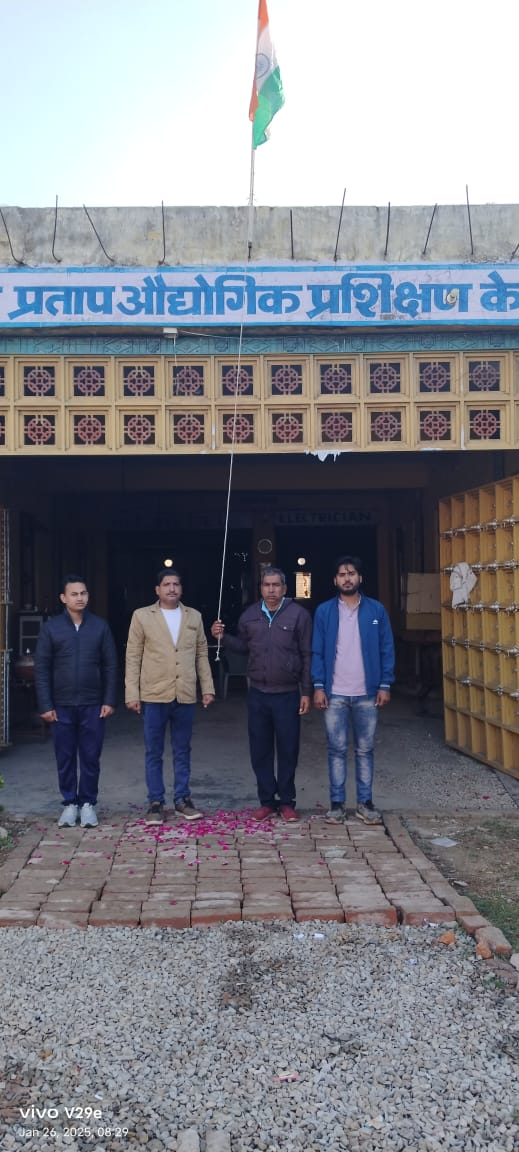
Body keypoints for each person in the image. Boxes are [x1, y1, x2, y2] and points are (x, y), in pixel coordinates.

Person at [211, 567, 312, 822]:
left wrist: (306, 691)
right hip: (258, 693)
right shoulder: (250, 615)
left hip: (287, 693)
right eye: (267, 585)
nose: (271, 590)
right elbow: (244, 647)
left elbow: (306, 654)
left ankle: (287, 802)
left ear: (284, 588)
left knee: (288, 749)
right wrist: (223, 637)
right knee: (260, 750)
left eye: (276, 585)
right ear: (261, 588)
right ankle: (267, 801)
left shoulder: (299, 615)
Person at [125, 568, 215, 825]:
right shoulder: (142, 616)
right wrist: (132, 693)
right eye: (166, 584)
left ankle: (182, 800)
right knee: (153, 751)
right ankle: (155, 802)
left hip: (184, 693)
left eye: (176, 584)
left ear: (181, 589)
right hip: (154, 694)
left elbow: (201, 654)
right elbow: (133, 656)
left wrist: (207, 688)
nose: (172, 588)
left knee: (182, 750)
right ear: (157, 589)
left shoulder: (193, 616)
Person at [311, 555, 395, 826]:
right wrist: (319, 686)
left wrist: (385, 684)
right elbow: (317, 651)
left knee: (364, 750)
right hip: (334, 692)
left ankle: (364, 803)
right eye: (342, 574)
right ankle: (337, 805)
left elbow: (387, 648)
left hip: (367, 693)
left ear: (360, 578)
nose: (347, 578)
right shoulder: (324, 611)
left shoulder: (376, 611)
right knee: (336, 750)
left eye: (351, 573)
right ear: (335, 580)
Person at [34, 574, 118, 829]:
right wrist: (46, 705)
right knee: (65, 756)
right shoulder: (51, 628)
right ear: (63, 598)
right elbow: (41, 669)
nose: (80, 598)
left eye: (83, 593)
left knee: (91, 756)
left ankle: (88, 804)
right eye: (74, 594)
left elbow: (111, 666)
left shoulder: (100, 627)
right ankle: (70, 803)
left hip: (93, 703)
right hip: (61, 704)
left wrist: (109, 700)